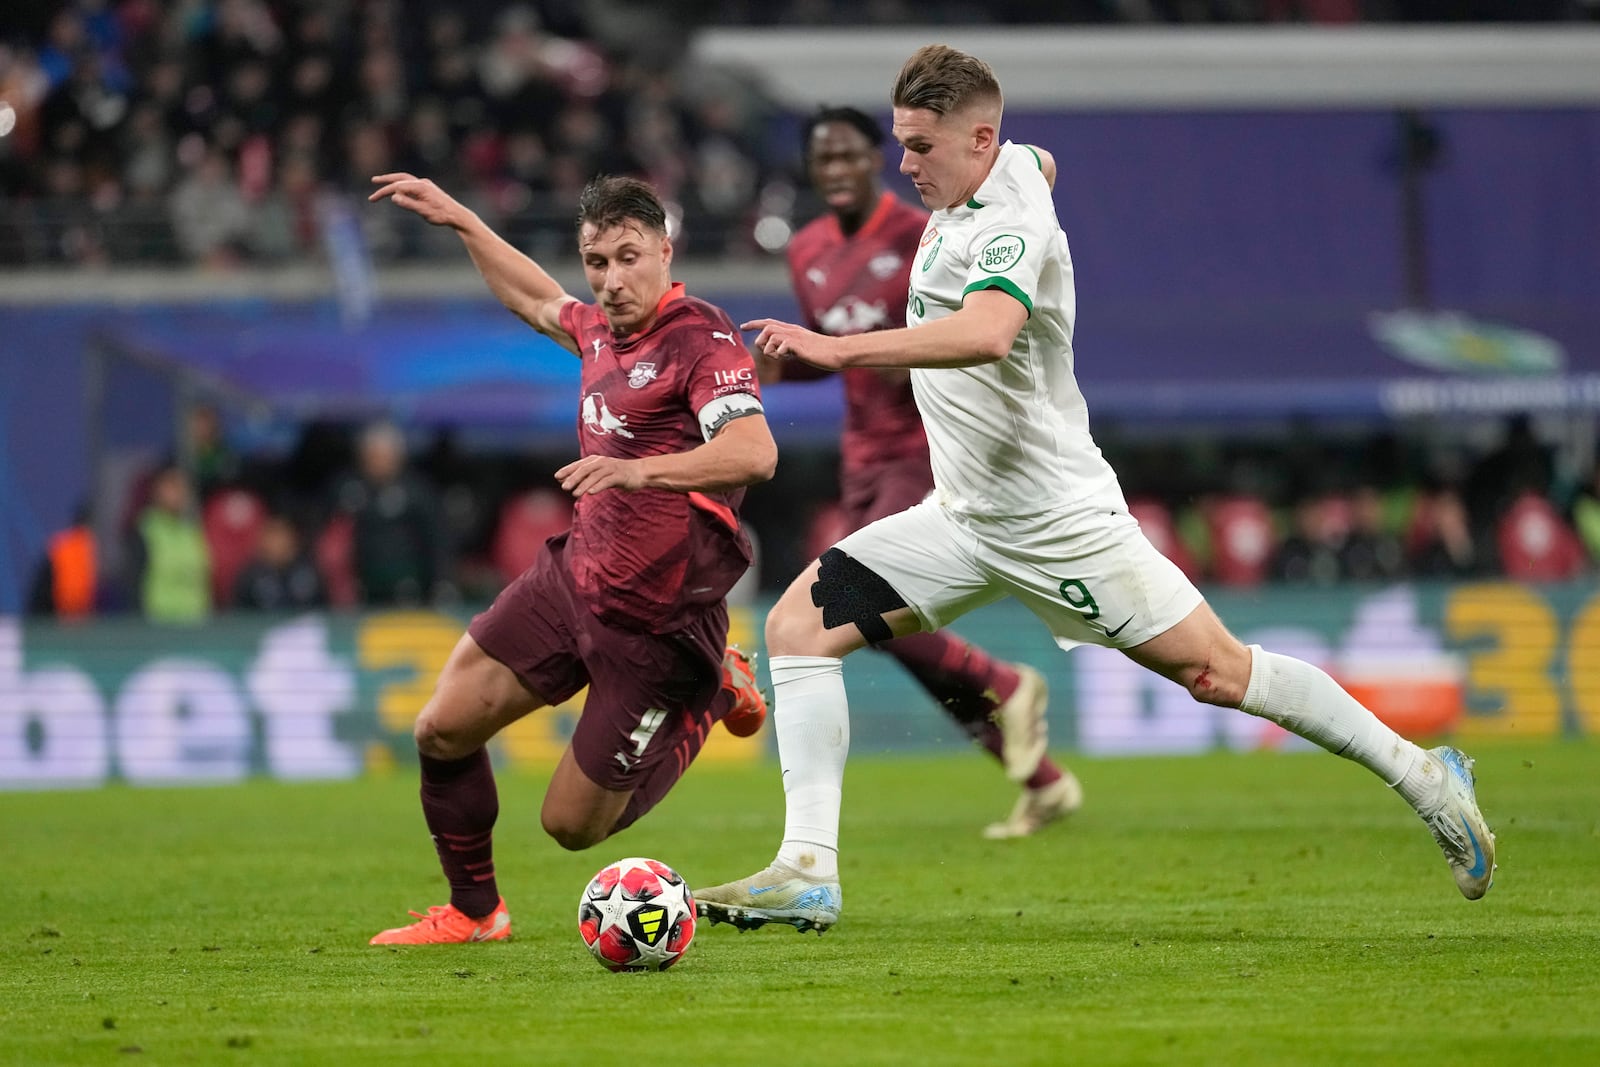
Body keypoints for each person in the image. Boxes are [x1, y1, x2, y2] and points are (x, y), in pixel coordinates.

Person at [695, 45, 1495, 934]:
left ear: (978, 139)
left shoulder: (1007, 220)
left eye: (919, 147)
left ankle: (1426, 775)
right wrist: (1027, 160)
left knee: (1221, 673)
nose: (905, 165)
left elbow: (991, 330)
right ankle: (808, 867)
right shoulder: (1003, 170)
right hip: (960, 517)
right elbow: (1040, 159)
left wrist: (836, 347)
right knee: (798, 625)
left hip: (1056, 520)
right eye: (903, 144)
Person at [364, 170, 776, 944]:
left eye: (628, 258)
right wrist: (461, 219)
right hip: (573, 580)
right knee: (440, 729)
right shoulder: (598, 329)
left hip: (661, 625)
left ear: (664, 249)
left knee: (572, 826)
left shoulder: (701, 337)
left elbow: (754, 452)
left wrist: (637, 469)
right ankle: (475, 912)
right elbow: (532, 297)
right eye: (597, 262)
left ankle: (718, 689)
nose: (612, 280)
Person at [770, 105, 1078, 839]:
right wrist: (763, 375)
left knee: (861, 608)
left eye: (850, 156)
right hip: (860, 459)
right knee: (884, 629)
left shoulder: (920, 235)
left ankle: (1007, 682)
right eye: (825, 161)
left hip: (923, 448)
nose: (837, 172)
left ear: (878, 161)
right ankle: (1040, 778)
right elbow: (836, 348)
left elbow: (953, 336)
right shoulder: (806, 249)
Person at [128, 465, 211, 625]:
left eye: (182, 487)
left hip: (195, 623)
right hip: (159, 625)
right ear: (156, 491)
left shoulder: (192, 531)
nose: (178, 493)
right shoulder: (145, 530)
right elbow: (134, 584)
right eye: (171, 486)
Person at [232, 514, 328, 612]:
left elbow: (326, 610)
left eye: (282, 536)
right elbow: (239, 616)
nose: (278, 543)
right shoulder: (250, 576)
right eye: (273, 537)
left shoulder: (309, 571)